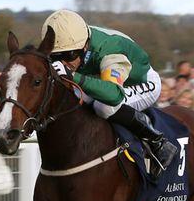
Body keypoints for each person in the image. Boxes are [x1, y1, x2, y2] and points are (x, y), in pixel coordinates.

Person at [43, 9, 177, 176]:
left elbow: (114, 95)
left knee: (103, 107)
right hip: (104, 79)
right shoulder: (73, 37)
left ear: (84, 46)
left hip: (141, 83)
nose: (63, 63)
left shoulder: (109, 50)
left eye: (69, 55)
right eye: (56, 57)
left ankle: (157, 141)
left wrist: (73, 76)